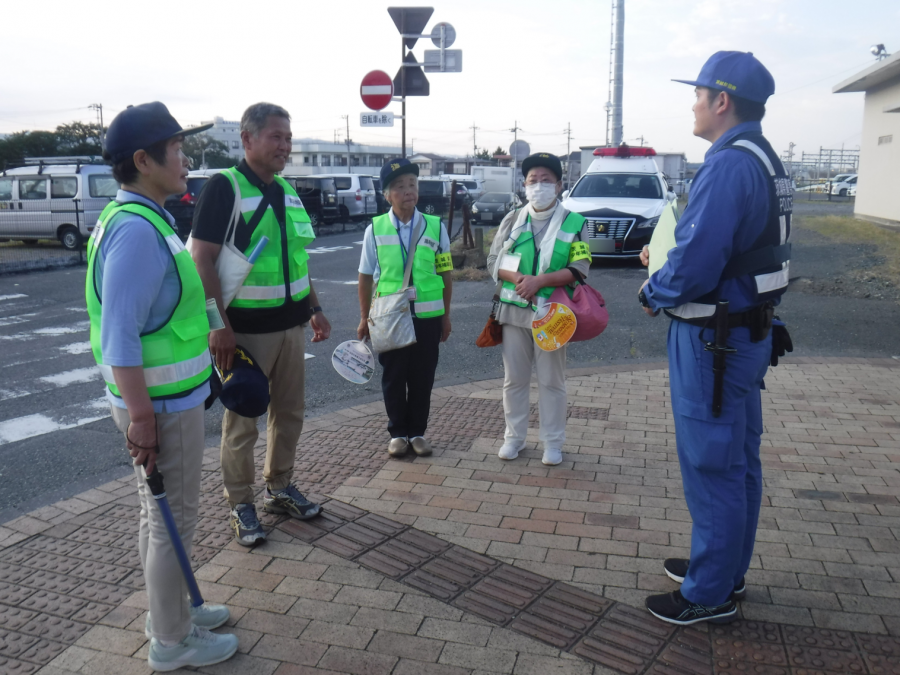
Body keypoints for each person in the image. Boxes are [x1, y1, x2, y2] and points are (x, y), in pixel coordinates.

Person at [639, 51, 792, 625]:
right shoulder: (766, 159)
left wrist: (654, 288)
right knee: (737, 459)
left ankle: (708, 593)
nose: (694, 104)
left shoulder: (727, 165)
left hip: (713, 340)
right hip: (744, 333)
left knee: (712, 464)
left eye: (699, 94)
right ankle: (723, 568)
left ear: (721, 101)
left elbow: (697, 266)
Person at [88, 102, 238, 671]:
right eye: (176, 148)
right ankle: (172, 643)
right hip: (159, 406)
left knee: (163, 517)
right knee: (171, 516)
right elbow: (121, 336)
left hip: (164, 402)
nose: (186, 157)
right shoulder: (135, 232)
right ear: (142, 160)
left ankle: (171, 613)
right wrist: (144, 420)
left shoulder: (143, 217)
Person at [190, 103, 331, 546]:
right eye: (275, 137)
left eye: (288, 138)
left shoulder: (288, 190)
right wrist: (218, 325)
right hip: (243, 331)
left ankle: (280, 486)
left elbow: (296, 258)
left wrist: (314, 308)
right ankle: (240, 504)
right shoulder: (224, 187)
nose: (284, 146)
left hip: (290, 327)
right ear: (247, 139)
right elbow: (201, 259)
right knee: (242, 424)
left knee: (289, 414)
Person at [487, 153, 591, 466]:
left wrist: (539, 281)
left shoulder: (575, 222)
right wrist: (520, 280)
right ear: (524, 185)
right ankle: (514, 438)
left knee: (551, 381)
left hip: (553, 315)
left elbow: (580, 267)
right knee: (514, 380)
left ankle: (553, 443)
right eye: (533, 180)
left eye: (547, 180)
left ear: (559, 185)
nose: (539, 185)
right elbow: (493, 262)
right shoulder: (512, 220)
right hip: (513, 312)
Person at [357, 158, 453, 457]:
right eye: (399, 186)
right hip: (389, 315)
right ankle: (398, 433)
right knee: (394, 376)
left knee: (423, 376)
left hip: (427, 315)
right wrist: (364, 318)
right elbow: (364, 275)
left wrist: (446, 316)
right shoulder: (375, 229)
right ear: (387, 194)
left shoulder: (435, 227)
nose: (408, 190)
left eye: (412, 184)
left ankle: (418, 433)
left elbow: (446, 273)